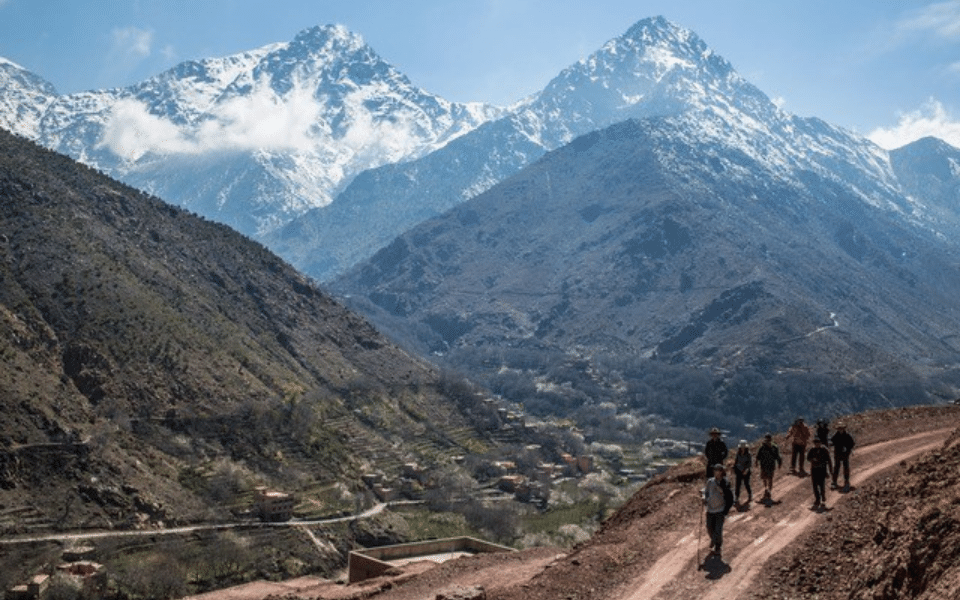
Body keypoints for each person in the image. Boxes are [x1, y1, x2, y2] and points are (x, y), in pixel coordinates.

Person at [702, 463, 734, 559]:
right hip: (710, 509)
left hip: (720, 510)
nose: (716, 471)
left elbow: (730, 498)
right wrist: (704, 498)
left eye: (718, 470)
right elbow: (706, 492)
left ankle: (718, 547)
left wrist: (725, 511)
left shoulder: (725, 483)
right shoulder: (710, 481)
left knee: (718, 530)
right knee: (709, 527)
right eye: (715, 470)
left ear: (721, 471)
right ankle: (714, 539)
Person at [806, 437, 833, 510]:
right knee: (814, 485)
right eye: (815, 443)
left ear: (820, 443)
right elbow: (808, 458)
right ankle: (817, 499)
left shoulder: (824, 450)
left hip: (822, 469)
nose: (816, 444)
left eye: (817, 443)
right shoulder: (812, 450)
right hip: (814, 469)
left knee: (821, 485)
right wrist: (812, 460)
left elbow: (829, 460)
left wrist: (830, 470)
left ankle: (823, 497)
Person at [755, 433, 782, 501]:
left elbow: (777, 456)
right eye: (766, 439)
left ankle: (769, 491)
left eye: (768, 439)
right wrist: (756, 462)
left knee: (770, 478)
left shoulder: (774, 447)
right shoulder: (762, 447)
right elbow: (758, 455)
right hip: (763, 465)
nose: (767, 440)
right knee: (764, 478)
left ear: (770, 439)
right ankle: (766, 489)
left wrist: (779, 463)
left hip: (771, 465)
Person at [830, 422, 855, 491]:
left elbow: (852, 443)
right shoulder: (835, 435)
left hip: (845, 454)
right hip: (837, 454)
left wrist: (848, 449)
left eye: (841, 428)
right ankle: (834, 482)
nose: (840, 429)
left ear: (844, 428)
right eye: (839, 428)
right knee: (836, 468)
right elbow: (832, 442)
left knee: (845, 468)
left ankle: (846, 481)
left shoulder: (847, 435)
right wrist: (831, 444)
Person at [733, 439, 752, 505]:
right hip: (739, 471)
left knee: (746, 484)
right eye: (741, 447)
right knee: (738, 484)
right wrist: (736, 468)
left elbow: (749, 464)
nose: (742, 448)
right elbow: (736, 462)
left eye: (743, 447)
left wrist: (745, 470)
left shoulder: (748, 454)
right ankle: (736, 497)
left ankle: (750, 494)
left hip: (746, 471)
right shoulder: (738, 454)